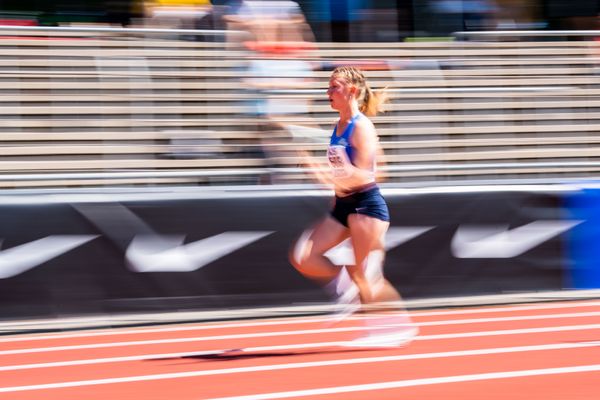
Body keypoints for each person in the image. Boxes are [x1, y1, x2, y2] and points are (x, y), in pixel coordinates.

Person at [289, 66, 418, 347]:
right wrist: (318, 173)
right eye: (329, 86)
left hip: (365, 205)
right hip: (342, 205)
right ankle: (344, 291)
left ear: (352, 91)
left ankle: (396, 328)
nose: (328, 92)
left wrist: (331, 176)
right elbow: (339, 175)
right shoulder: (338, 126)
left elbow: (366, 174)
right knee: (303, 256)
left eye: (334, 86)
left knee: (367, 275)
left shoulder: (362, 127)